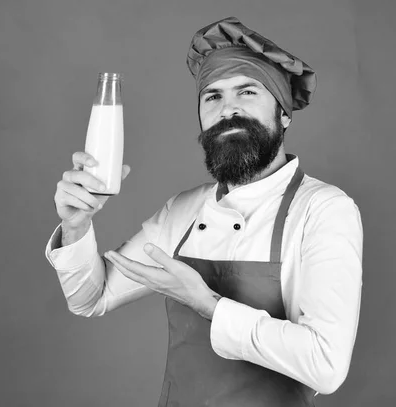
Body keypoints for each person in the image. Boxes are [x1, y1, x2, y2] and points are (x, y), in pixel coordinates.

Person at [44, 16, 363, 407]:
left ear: (284, 114)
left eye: (247, 92)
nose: (228, 109)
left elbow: (325, 366)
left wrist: (208, 304)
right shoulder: (185, 209)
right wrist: (77, 225)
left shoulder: (323, 210)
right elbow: (91, 299)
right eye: (212, 96)